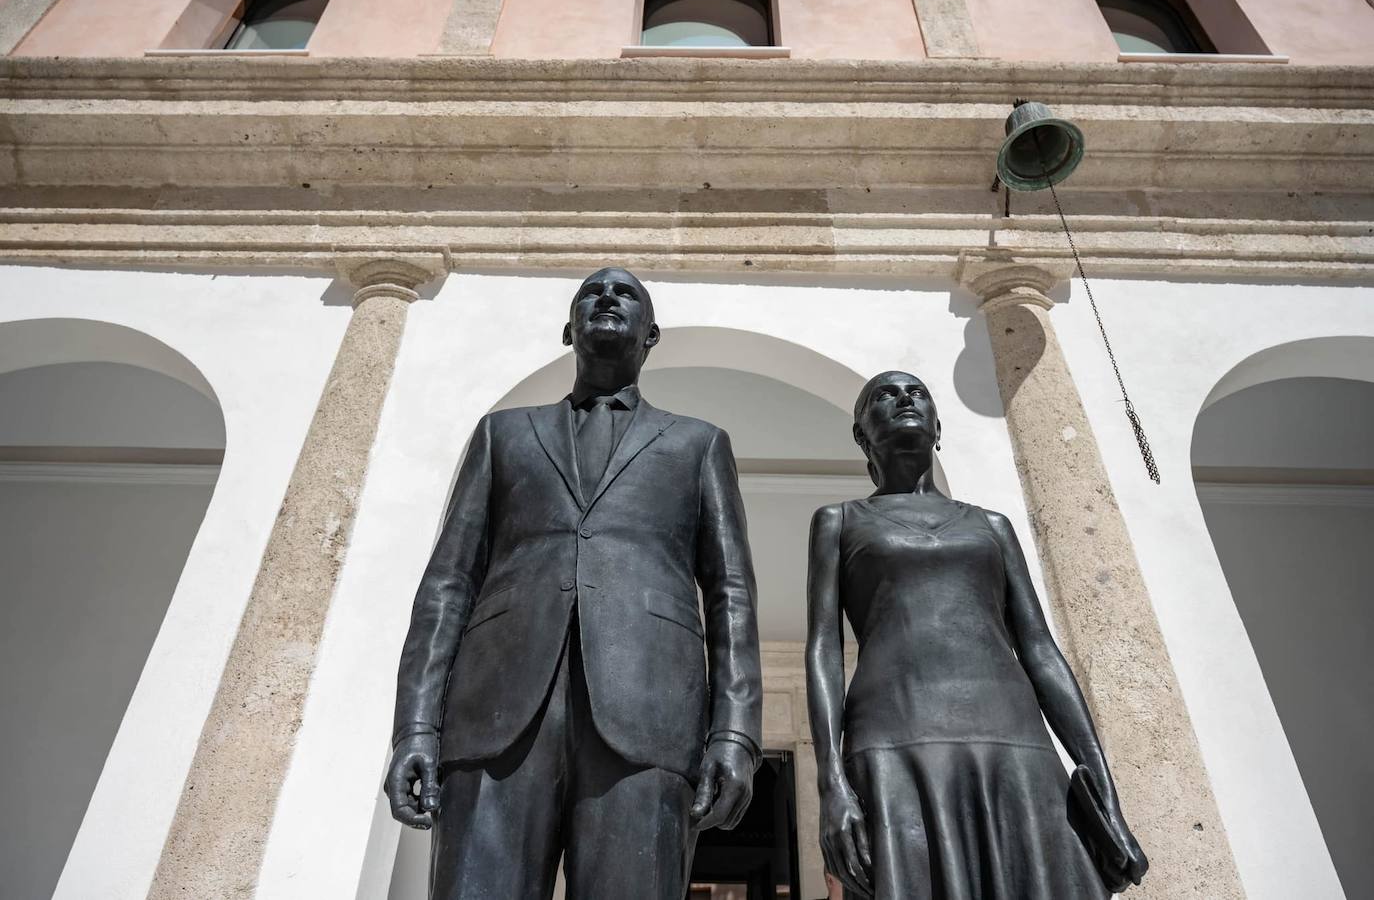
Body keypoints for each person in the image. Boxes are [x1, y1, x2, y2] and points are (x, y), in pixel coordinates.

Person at [386, 267, 763, 900]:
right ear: (569, 330)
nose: (608, 297)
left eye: (626, 294)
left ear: (652, 335)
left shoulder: (699, 445)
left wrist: (735, 732)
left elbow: (731, 596)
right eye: (591, 291)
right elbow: (447, 586)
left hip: (649, 716)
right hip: (494, 717)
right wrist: (416, 728)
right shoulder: (502, 434)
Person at [804, 370, 1148, 899]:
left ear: (937, 426)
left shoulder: (991, 525)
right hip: (895, 737)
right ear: (860, 434)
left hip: (1013, 737)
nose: (902, 399)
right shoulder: (840, 521)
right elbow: (824, 648)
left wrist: (1098, 773)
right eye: (884, 395)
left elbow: (1039, 648)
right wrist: (830, 781)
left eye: (915, 392)